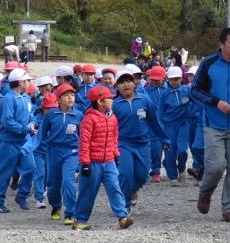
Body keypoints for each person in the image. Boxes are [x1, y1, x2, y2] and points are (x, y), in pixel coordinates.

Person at [190, 27, 230, 223]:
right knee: (216, 166)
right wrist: (215, 102)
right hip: (213, 124)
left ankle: (229, 208)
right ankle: (205, 192)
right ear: (221, 45)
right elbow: (195, 90)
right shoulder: (208, 64)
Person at [74, 86, 133, 231]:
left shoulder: (112, 118)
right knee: (87, 192)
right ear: (100, 102)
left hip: (108, 162)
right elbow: (84, 142)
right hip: (92, 163)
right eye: (110, 98)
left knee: (115, 188)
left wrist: (115, 154)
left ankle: (122, 217)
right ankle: (79, 220)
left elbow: (114, 138)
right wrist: (85, 163)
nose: (112, 101)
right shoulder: (89, 119)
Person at [113, 71, 169, 210]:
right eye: (121, 82)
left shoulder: (144, 99)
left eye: (129, 81)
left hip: (143, 144)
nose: (126, 84)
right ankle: (125, 204)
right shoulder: (114, 104)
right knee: (125, 172)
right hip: (123, 144)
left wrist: (164, 139)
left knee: (143, 176)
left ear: (135, 83)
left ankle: (133, 190)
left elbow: (154, 121)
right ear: (116, 85)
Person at [0, 69, 36, 213]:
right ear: (21, 82)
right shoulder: (8, 99)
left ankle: (21, 195)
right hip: (8, 142)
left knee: (30, 168)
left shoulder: (25, 98)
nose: (29, 83)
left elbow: (31, 115)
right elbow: (7, 121)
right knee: (3, 172)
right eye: (27, 80)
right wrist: (26, 129)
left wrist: (32, 123)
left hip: (24, 142)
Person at [37, 84, 83, 224]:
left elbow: (84, 136)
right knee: (53, 184)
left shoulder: (79, 115)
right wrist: (30, 147)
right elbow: (41, 134)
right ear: (58, 99)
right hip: (53, 151)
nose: (70, 98)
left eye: (73, 95)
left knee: (68, 181)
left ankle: (70, 212)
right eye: (66, 95)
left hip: (72, 152)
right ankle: (56, 205)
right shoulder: (51, 114)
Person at [160, 66, 192, 187]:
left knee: (182, 150)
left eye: (176, 79)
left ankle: (182, 168)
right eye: (171, 79)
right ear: (168, 79)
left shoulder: (186, 91)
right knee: (169, 150)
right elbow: (160, 112)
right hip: (169, 126)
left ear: (181, 79)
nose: (174, 82)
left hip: (183, 124)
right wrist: (160, 130)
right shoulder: (165, 94)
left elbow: (195, 103)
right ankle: (173, 177)